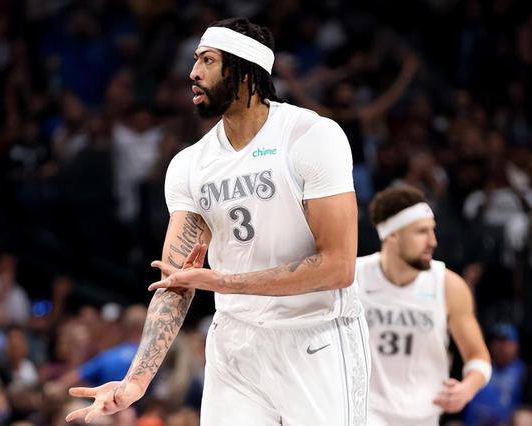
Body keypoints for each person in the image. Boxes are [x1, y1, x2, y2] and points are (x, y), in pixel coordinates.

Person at [66, 17, 369, 425]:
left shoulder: (311, 136)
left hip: (316, 337)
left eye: (207, 61)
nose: (193, 73)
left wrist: (224, 282)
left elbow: (338, 266)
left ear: (245, 72)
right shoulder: (190, 164)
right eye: (195, 60)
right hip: (236, 344)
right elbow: (175, 282)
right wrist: (136, 381)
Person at [357, 184, 491, 425]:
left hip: (424, 414)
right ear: (392, 235)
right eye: (421, 232)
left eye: (432, 230)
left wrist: (467, 388)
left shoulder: (448, 285)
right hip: (365, 411)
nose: (433, 241)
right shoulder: (353, 278)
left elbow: (477, 355)